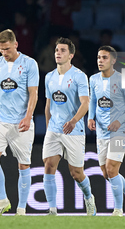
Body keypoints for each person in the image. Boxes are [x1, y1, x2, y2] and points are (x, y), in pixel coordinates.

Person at [0, 29, 39, 216]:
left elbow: (34, 93)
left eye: (7, 49)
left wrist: (28, 116)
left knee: (23, 164)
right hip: (1, 120)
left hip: (21, 122)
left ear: (16, 45)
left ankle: (22, 208)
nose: (4, 53)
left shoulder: (29, 64)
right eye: (1, 49)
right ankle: (2, 200)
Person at [43, 37, 96, 216]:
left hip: (74, 130)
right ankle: (52, 210)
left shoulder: (79, 76)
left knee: (76, 173)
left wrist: (73, 121)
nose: (58, 53)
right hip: (54, 130)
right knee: (49, 165)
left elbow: (85, 103)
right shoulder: (49, 77)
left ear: (71, 55)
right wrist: (49, 127)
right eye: (57, 49)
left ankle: (89, 197)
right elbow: (48, 105)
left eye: (63, 50)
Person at [88, 45, 125, 217]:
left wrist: (120, 121)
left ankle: (118, 210)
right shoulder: (94, 79)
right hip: (102, 132)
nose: (100, 61)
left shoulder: (124, 80)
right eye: (98, 57)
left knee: (112, 169)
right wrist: (90, 117)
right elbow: (93, 100)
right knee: (106, 173)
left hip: (120, 130)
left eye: (104, 57)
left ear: (113, 60)